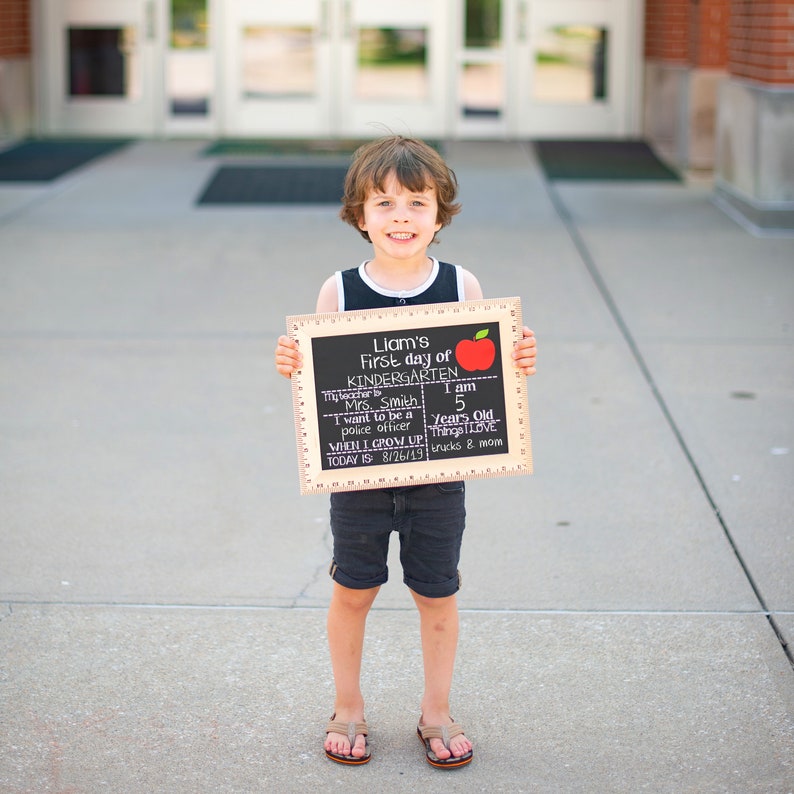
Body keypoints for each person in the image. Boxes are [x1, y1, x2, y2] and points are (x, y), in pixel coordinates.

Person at [274, 135, 537, 768]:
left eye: (417, 203)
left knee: (436, 593)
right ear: (358, 216)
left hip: (440, 475)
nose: (400, 217)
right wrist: (294, 366)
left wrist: (518, 359)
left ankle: (436, 711)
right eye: (384, 203)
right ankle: (348, 706)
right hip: (360, 474)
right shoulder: (338, 292)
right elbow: (325, 389)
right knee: (352, 590)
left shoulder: (459, 283)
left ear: (440, 214)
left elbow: (484, 378)